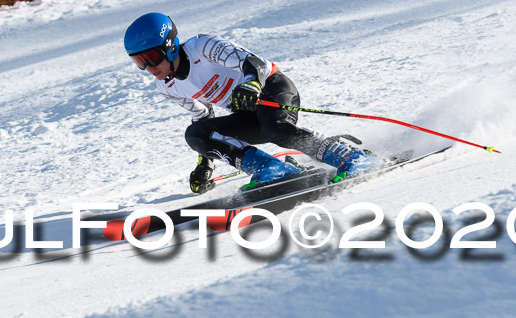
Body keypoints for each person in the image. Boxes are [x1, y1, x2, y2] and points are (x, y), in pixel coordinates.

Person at [123, 12, 383, 194]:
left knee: (275, 129)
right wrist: (206, 161)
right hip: (248, 112)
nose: (148, 67)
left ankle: (353, 157)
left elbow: (254, 63)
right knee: (195, 134)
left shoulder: (202, 46)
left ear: (169, 46)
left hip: (273, 89)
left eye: (151, 58)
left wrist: (251, 84)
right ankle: (272, 169)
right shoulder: (167, 87)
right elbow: (204, 120)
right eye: (139, 62)